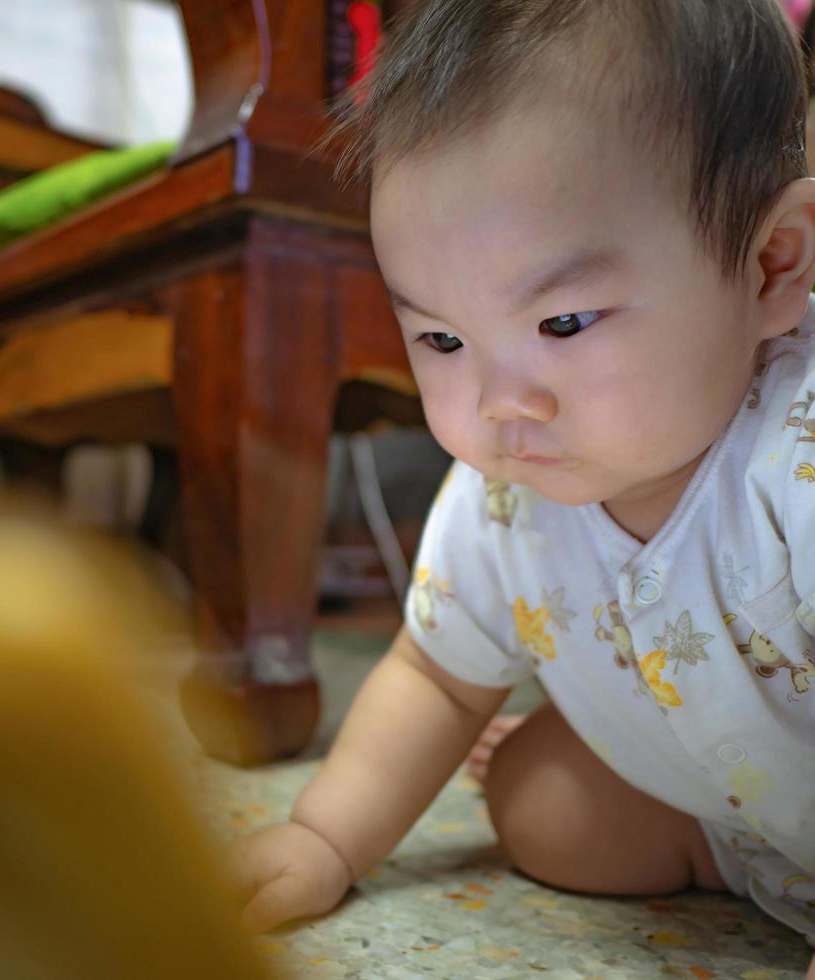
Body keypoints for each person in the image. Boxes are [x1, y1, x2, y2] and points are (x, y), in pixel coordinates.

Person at [229, 2, 815, 975]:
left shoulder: (792, 454)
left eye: (566, 321)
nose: (501, 403)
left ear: (770, 266)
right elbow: (433, 674)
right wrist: (323, 836)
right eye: (444, 340)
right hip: (749, 814)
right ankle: (737, 852)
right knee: (538, 797)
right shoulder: (506, 490)